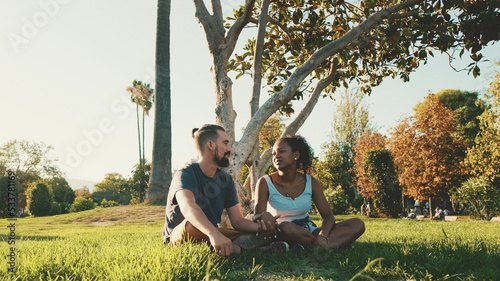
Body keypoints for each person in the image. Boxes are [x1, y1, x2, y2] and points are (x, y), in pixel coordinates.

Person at [163, 124, 279, 257]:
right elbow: (188, 208)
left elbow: (238, 221)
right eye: (225, 143)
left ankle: (228, 247)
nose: (230, 149)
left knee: (263, 235)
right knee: (192, 225)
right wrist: (213, 234)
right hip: (182, 234)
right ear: (211, 145)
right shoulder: (184, 174)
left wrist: (263, 228)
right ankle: (241, 250)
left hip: (213, 234)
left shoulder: (226, 180)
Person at [254, 135, 365, 251]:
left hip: (308, 230)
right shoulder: (265, 182)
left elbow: (328, 216)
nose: (276, 156)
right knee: (286, 227)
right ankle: (322, 247)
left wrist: (323, 235)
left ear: (296, 155)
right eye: (274, 154)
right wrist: (263, 216)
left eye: (281, 151)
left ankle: (309, 246)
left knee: (357, 224)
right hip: (281, 231)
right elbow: (258, 216)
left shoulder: (311, 182)